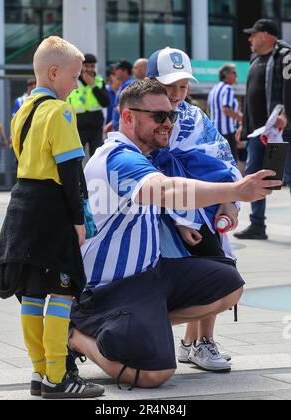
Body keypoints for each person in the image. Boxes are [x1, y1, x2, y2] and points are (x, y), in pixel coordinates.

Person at [69, 79, 280, 389]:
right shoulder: (117, 157)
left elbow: (168, 191)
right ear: (128, 117)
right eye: (158, 117)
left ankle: (143, 323)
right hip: (110, 288)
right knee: (155, 374)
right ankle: (76, 336)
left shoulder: (143, 156)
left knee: (229, 284)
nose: (168, 123)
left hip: (149, 273)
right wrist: (236, 190)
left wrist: (222, 203)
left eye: (172, 115)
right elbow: (166, 190)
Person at [0, 36, 104, 400]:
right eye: (74, 77)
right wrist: (77, 221)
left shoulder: (22, 110)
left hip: (22, 206)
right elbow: (71, 171)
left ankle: (40, 372)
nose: (77, 84)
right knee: (62, 290)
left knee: (32, 294)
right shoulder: (61, 112)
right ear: (54, 73)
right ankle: (59, 377)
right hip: (52, 208)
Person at [146, 47, 241, 372]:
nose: (176, 93)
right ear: (151, 81)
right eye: (169, 85)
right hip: (159, 211)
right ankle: (186, 341)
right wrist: (176, 216)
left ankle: (199, 341)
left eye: (183, 86)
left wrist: (229, 199)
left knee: (214, 269)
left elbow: (222, 158)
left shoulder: (196, 117)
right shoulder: (142, 117)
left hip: (202, 209)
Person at [234, 19, 291, 240]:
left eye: (253, 34)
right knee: (256, 178)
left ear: (266, 35)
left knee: (287, 176)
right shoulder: (254, 59)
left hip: (281, 132)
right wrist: (244, 125)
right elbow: (250, 95)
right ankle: (257, 226)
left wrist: (286, 113)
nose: (249, 39)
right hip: (258, 133)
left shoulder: (286, 56)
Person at [67, 53, 110, 158]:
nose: (90, 69)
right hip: (78, 125)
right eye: (87, 66)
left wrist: (93, 86)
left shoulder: (99, 81)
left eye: (92, 66)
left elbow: (106, 102)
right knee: (75, 157)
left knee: (97, 156)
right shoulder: (72, 81)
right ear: (81, 66)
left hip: (95, 126)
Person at [208, 64, 243, 161]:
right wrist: (243, 119)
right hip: (227, 132)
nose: (236, 76)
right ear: (225, 74)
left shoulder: (214, 88)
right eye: (234, 73)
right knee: (231, 162)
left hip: (215, 131)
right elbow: (226, 109)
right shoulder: (228, 88)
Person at [110, 60, 135, 131]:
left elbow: (130, 105)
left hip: (125, 128)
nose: (115, 71)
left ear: (124, 71)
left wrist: (119, 109)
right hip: (120, 127)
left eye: (117, 68)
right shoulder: (124, 84)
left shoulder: (129, 84)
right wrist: (111, 123)